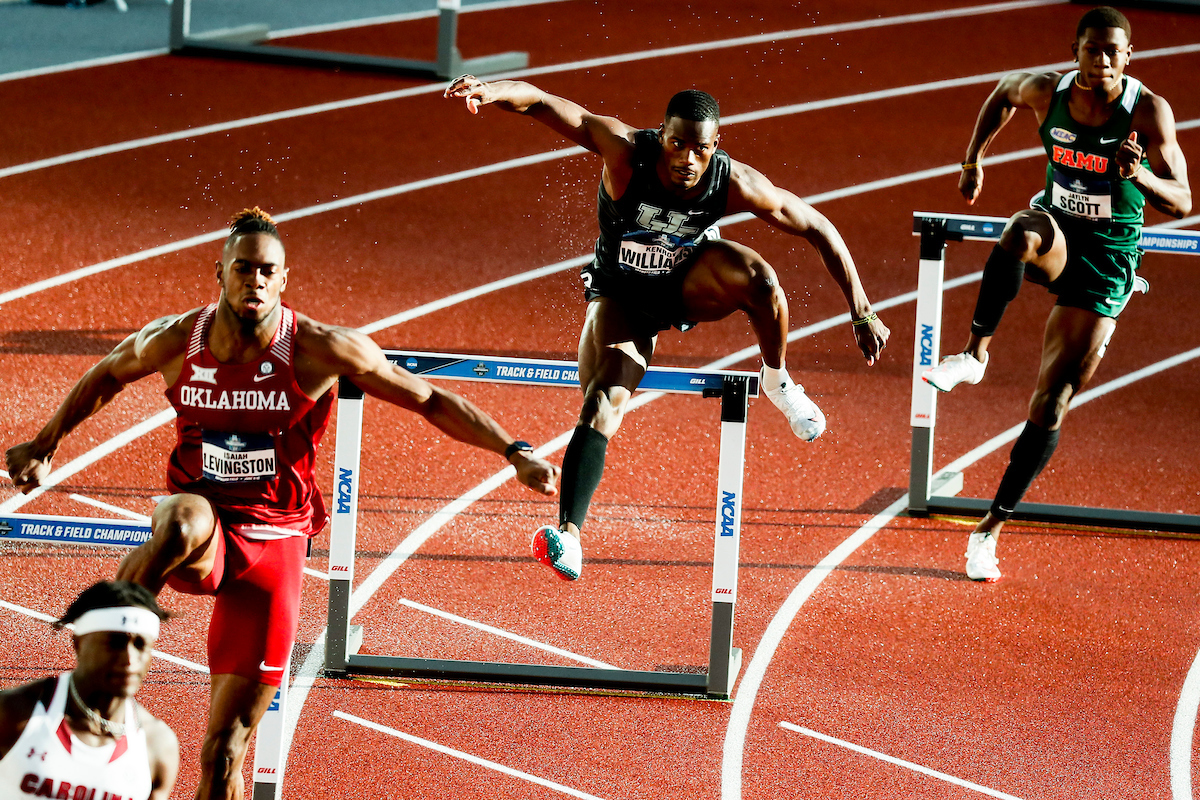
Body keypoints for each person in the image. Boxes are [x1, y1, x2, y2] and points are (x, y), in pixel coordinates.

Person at [4, 208, 560, 798]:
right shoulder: (174, 340)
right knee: (181, 515)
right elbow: (106, 374)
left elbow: (429, 398)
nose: (256, 281)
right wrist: (44, 442)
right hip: (206, 534)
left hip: (275, 548)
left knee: (224, 752)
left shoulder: (320, 349)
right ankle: (101, 669)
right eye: (243, 269)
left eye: (267, 271)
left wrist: (514, 449)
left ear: (284, 278)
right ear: (219, 272)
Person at [445, 77, 890, 581]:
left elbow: (817, 226)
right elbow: (548, 105)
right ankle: (570, 536)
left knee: (761, 279)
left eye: (700, 149)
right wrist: (491, 90)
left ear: (714, 147)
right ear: (661, 135)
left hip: (687, 282)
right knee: (601, 404)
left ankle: (778, 380)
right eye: (677, 144)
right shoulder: (625, 151)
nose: (686, 160)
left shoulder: (735, 182)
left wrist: (861, 308)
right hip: (622, 296)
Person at [920, 6, 1190, 581]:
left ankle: (989, 528)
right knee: (1018, 230)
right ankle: (973, 355)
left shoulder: (1147, 110)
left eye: (1112, 51)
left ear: (1128, 56)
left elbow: (1183, 200)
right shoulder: (1046, 90)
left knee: (1051, 402)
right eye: (1091, 49)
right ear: (1075, 52)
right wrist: (974, 160)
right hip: (1057, 231)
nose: (1101, 60)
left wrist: (1135, 175)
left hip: (1108, 259)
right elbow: (1000, 93)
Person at [0, 580, 179, 800]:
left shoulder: (157, 746)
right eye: (115, 643)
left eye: (141, 645)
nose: (130, 660)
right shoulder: (13, 715)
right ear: (78, 643)